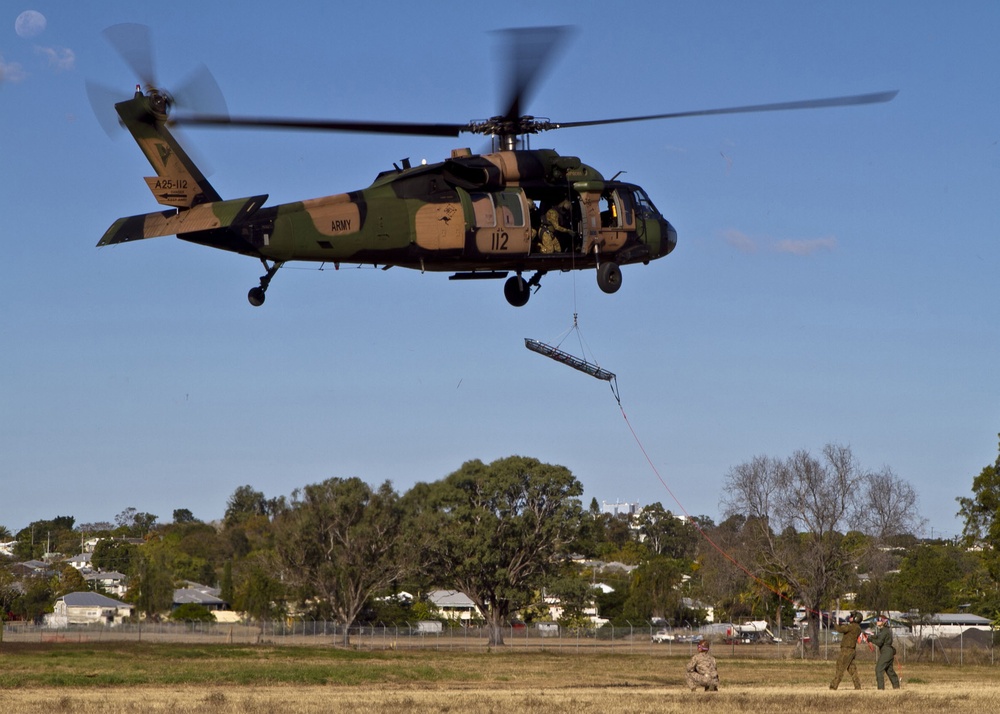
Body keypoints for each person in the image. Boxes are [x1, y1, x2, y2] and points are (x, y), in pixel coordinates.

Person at [829, 610, 863, 690]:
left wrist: (834, 623)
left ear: (856, 618)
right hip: (850, 650)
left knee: (840, 666)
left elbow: (840, 629)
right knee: (852, 669)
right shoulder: (857, 627)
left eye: (852, 616)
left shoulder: (852, 626)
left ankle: (834, 685)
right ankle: (858, 686)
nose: (850, 617)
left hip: (847, 650)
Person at [869, 616, 900, 690]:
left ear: (883, 622)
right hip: (888, 651)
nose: (877, 622)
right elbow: (877, 636)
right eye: (877, 620)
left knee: (879, 669)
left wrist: (871, 640)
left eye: (879, 620)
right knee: (889, 671)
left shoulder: (884, 631)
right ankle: (896, 687)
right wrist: (871, 636)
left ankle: (880, 689)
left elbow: (879, 642)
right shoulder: (884, 631)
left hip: (886, 652)